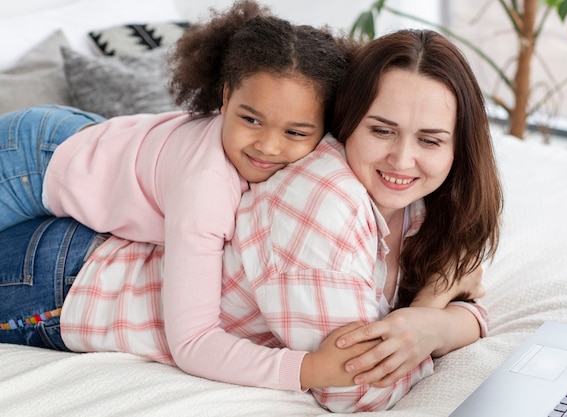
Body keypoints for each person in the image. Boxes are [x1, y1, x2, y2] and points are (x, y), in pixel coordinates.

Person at [0, 26, 500, 412]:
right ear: (348, 120)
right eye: (382, 129)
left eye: (431, 139)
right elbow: (359, 388)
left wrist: (434, 320)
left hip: (87, 219)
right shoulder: (312, 198)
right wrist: (430, 319)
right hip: (56, 247)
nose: (402, 159)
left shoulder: (412, 201)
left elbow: (465, 281)